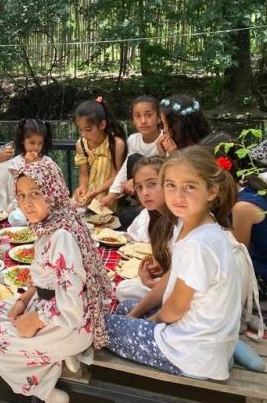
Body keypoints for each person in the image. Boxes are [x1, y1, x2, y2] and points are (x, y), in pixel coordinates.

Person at [0, 158, 113, 403]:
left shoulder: (61, 235)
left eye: (35, 194)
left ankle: (46, 392)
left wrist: (32, 320)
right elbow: (50, 277)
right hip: (53, 307)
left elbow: (70, 304)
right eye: (20, 195)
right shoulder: (56, 221)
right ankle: (55, 356)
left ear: (52, 192)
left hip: (69, 322)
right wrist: (24, 300)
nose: (26, 203)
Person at [104, 147, 243, 380]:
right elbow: (170, 279)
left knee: (98, 325)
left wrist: (149, 323)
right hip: (207, 339)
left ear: (211, 191)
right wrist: (134, 317)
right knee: (126, 308)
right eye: (171, 185)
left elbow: (175, 309)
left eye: (189, 186)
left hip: (192, 354)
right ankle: (231, 350)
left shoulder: (199, 244)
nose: (178, 196)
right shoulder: (188, 224)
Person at [207, 134, 267, 310]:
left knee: (206, 281)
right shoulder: (252, 184)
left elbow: (237, 255)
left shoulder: (242, 207)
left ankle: (258, 303)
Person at [117, 156, 173, 301]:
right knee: (123, 289)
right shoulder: (153, 214)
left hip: (187, 300)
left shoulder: (182, 219)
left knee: (123, 290)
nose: (144, 193)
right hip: (168, 283)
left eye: (152, 184)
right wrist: (163, 267)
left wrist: (149, 283)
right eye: (139, 187)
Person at [98, 96, 160, 212]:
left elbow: (167, 171)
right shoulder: (133, 139)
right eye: (138, 116)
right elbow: (125, 169)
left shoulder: (164, 140)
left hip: (160, 192)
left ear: (159, 118)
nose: (143, 121)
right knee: (133, 159)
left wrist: (136, 180)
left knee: (137, 159)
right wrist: (111, 195)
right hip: (141, 192)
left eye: (148, 115)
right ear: (133, 121)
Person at [73, 97, 126, 213]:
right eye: (80, 130)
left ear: (102, 125)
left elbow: (116, 175)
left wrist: (96, 192)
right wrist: (82, 187)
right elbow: (83, 174)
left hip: (109, 197)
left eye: (88, 129)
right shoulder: (81, 144)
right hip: (89, 196)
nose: (84, 134)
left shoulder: (116, 143)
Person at [7, 119, 55, 226]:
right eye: (32, 143)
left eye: (40, 143)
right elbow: (15, 191)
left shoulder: (47, 162)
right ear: (23, 141)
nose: (36, 147)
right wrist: (28, 165)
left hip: (44, 205)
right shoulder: (16, 163)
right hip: (23, 205)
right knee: (17, 219)